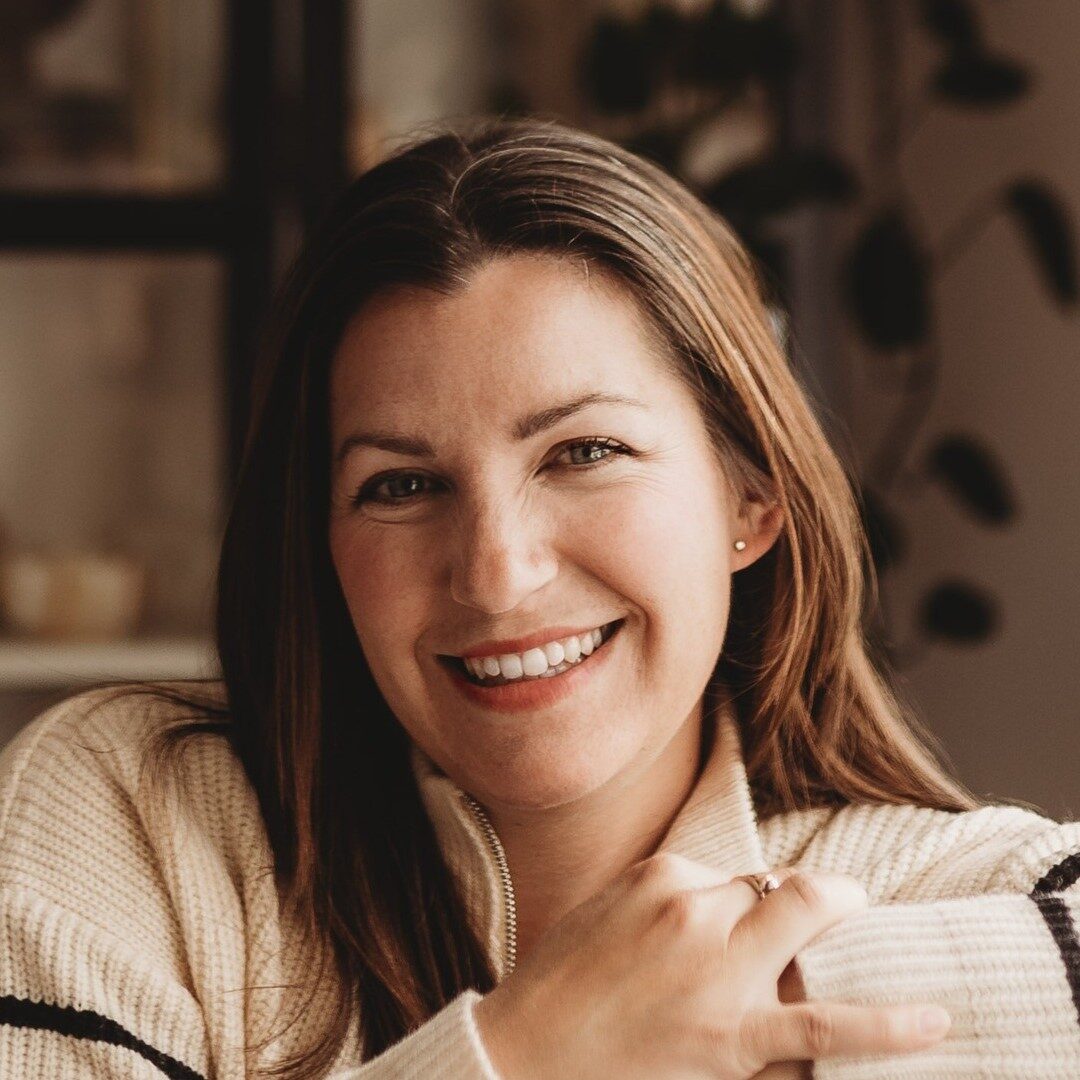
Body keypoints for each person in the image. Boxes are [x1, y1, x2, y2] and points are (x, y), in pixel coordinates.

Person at [0, 117, 1076, 1080]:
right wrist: (534, 1056)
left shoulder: (964, 883)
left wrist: (723, 1004)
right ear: (318, 543)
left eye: (584, 451)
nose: (496, 572)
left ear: (749, 497)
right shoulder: (130, 809)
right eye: (401, 486)